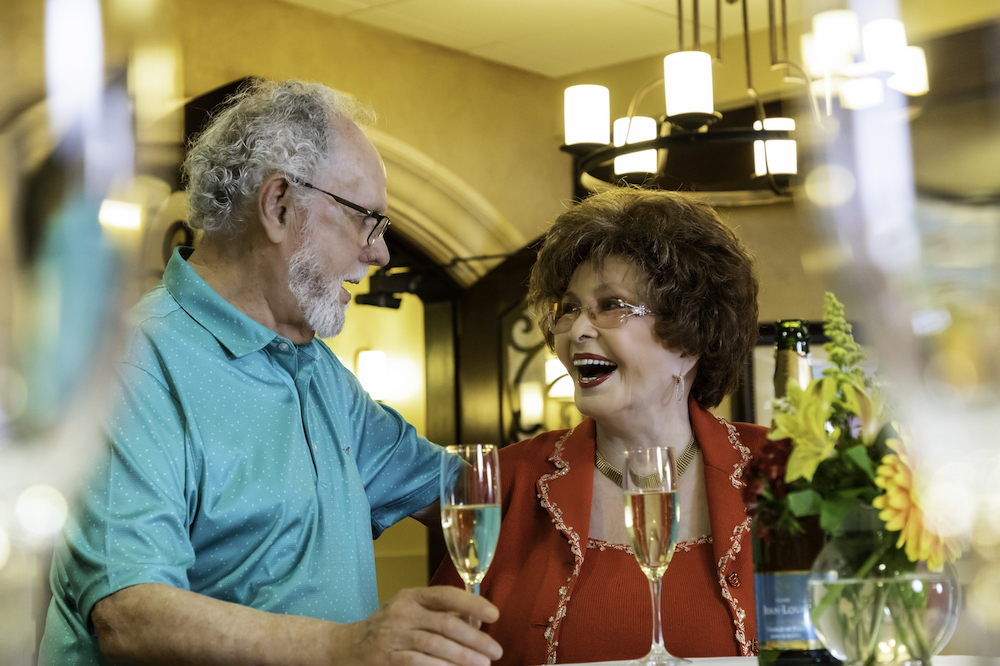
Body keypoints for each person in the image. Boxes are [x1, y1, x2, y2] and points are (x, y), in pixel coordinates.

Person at [39, 79, 502, 666]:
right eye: (368, 221)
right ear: (279, 204)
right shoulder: (129, 364)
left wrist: (623, 433)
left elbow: (464, 491)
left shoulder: (316, 369)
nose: (381, 254)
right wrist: (349, 645)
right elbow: (131, 615)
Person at [432, 187, 767, 665]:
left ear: (690, 339)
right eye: (568, 308)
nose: (576, 330)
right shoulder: (508, 480)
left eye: (611, 305)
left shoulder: (782, 470)